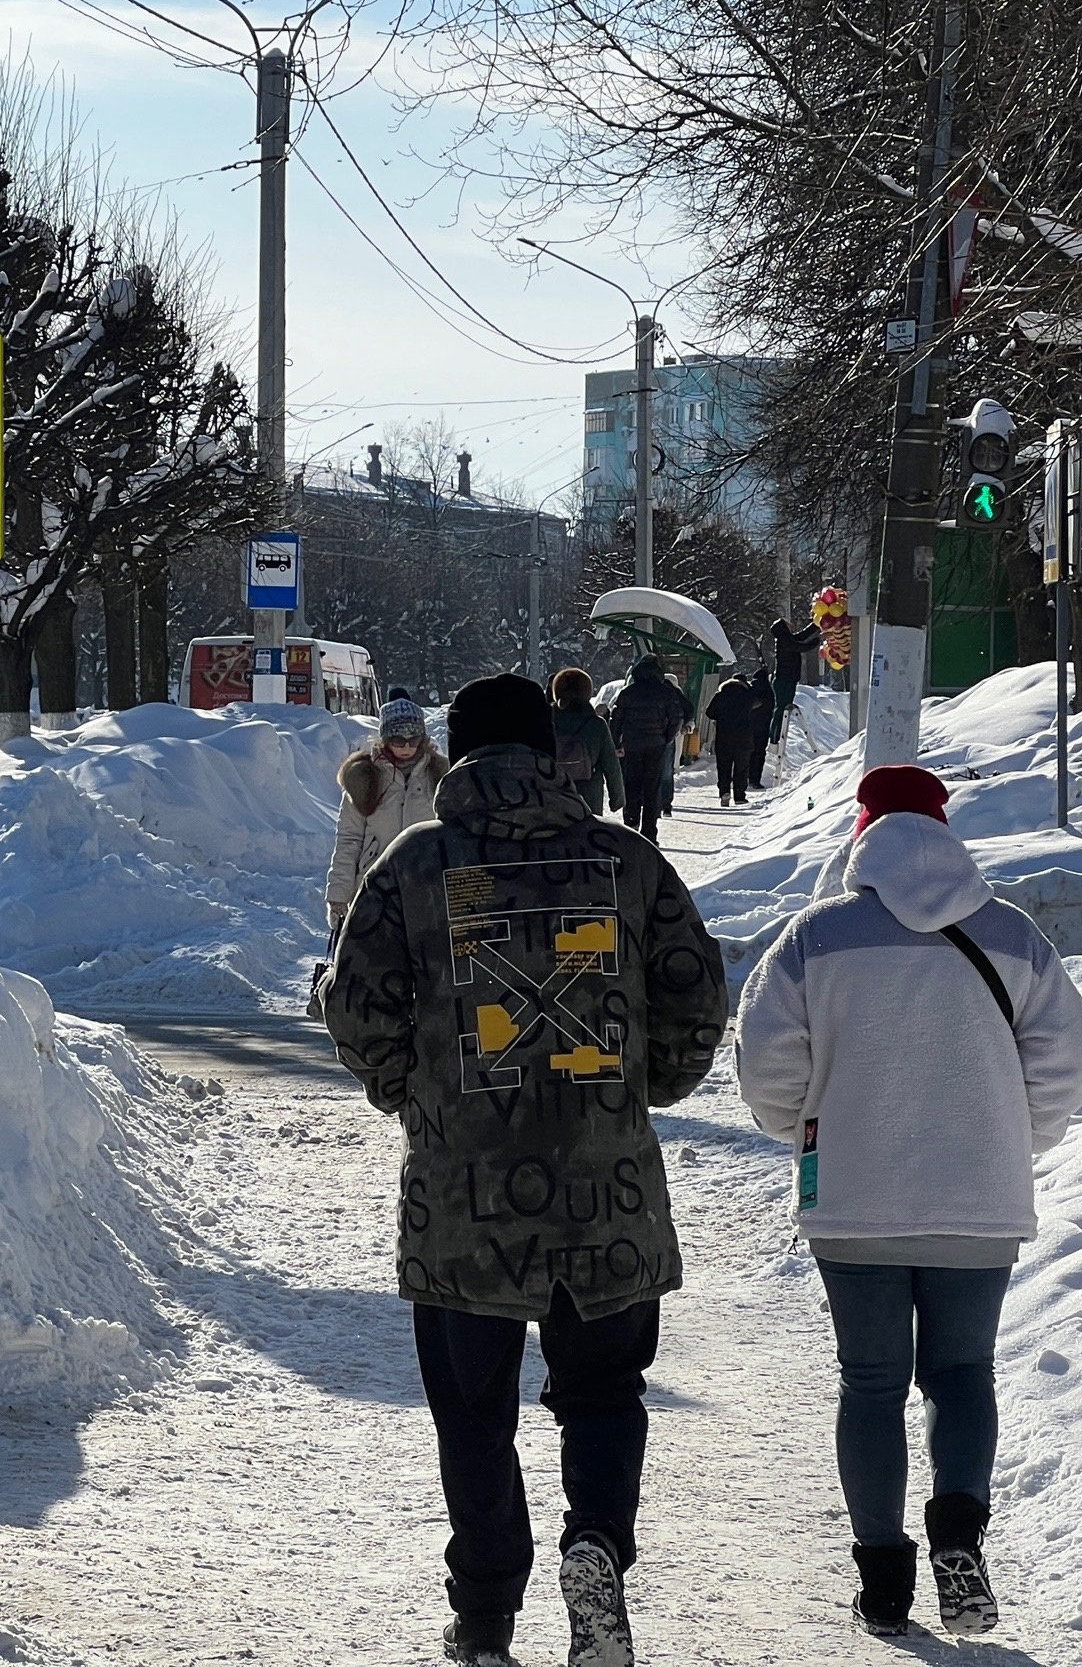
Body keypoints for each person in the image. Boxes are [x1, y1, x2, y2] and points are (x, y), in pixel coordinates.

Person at [321, 674, 727, 1667]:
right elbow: (695, 995)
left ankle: (488, 1610)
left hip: (465, 1199)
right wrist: (642, 1093)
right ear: (551, 754)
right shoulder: (624, 860)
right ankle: (594, 1544)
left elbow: (356, 1008)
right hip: (608, 1191)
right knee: (602, 1392)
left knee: (472, 1412)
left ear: (457, 756)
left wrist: (410, 1097)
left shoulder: (418, 865)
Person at [735, 766, 1082, 1640]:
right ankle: (960, 1535)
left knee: (871, 1382)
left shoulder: (817, 937)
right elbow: (1063, 1061)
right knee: (964, 1373)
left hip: (854, 1199)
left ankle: (884, 1577)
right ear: (947, 831)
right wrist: (1013, 1135)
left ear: (862, 834)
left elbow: (765, 1062)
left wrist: (809, 1128)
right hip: (981, 1197)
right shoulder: (1014, 935)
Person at [326, 689, 448, 933]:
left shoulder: (438, 774)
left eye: (413, 740)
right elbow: (349, 839)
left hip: (426, 885)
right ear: (384, 738)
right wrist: (338, 895)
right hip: (374, 886)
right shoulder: (364, 777)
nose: (406, 747)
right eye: (398, 740)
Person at [609, 656, 689, 841]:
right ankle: (649, 832)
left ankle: (631, 823)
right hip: (656, 745)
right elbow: (677, 717)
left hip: (632, 744)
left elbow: (616, 719)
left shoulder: (628, 692)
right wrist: (667, 737)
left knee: (632, 783)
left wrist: (617, 742)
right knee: (652, 788)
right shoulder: (665, 692)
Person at [548, 668, 625, 819]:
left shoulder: (545, 721)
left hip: (552, 790)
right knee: (586, 835)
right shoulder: (596, 724)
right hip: (589, 793)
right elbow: (611, 765)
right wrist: (617, 799)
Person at [703, 671, 757, 807]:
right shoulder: (747, 695)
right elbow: (758, 706)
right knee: (741, 767)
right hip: (743, 737)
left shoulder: (720, 695)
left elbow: (709, 712)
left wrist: (721, 717)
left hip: (724, 736)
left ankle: (724, 792)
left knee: (724, 766)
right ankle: (739, 795)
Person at [744, 669, 779, 792]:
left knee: (747, 753)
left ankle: (744, 778)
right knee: (759, 754)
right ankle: (755, 780)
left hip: (749, 727)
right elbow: (772, 707)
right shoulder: (769, 691)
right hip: (763, 727)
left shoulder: (749, 689)